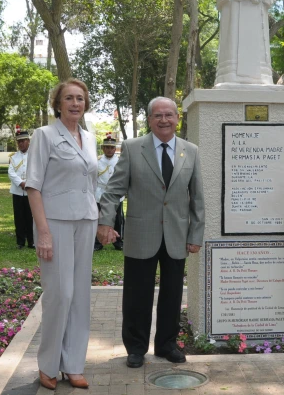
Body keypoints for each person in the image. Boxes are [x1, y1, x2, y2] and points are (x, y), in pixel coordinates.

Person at [98, 97, 205, 369]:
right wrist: (105, 222)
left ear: (177, 118)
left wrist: (195, 235)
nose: (164, 120)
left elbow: (198, 198)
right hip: (140, 235)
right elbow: (113, 191)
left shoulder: (190, 151)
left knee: (172, 294)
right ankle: (136, 348)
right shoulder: (133, 149)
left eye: (169, 115)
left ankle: (167, 344)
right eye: (158, 115)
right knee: (137, 295)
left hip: (177, 236)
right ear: (149, 119)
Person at [26, 79, 97, 390]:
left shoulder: (90, 138)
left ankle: (74, 364)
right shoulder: (44, 135)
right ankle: (49, 364)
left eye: (80, 98)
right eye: (69, 98)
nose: (75, 103)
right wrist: (43, 232)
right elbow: (33, 186)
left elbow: (92, 183)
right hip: (54, 222)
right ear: (57, 103)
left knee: (80, 295)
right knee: (60, 294)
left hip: (86, 219)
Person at [95, 133, 124, 251]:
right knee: (99, 218)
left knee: (118, 219)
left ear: (115, 148)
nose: (109, 149)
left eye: (112, 147)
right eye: (106, 147)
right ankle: (98, 242)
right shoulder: (97, 161)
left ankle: (119, 242)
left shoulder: (120, 161)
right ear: (103, 148)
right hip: (100, 192)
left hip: (116, 194)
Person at [8, 128, 34, 250]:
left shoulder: (35, 155)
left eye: (23, 141)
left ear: (28, 141)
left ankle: (32, 241)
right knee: (19, 217)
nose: (21, 144)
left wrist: (29, 183)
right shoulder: (14, 157)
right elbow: (11, 172)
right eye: (19, 142)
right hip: (18, 191)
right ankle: (20, 241)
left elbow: (38, 171)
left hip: (32, 191)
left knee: (31, 217)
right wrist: (21, 183)